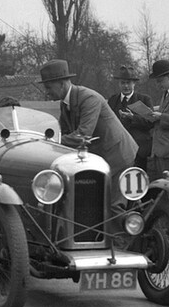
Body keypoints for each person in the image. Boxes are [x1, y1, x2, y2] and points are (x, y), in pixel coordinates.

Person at [39, 59, 137, 218]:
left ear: (62, 83)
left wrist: (52, 141)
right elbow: (62, 134)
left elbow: (83, 135)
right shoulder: (64, 104)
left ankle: (123, 241)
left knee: (112, 207)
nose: (46, 92)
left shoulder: (88, 98)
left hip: (117, 156)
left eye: (48, 87)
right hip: (100, 159)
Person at [107, 65, 154, 171]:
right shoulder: (113, 101)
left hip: (139, 152)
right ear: (119, 83)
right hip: (118, 151)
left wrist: (133, 117)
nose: (126, 86)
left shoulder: (144, 99)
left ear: (134, 83)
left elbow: (150, 122)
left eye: (128, 83)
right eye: (123, 83)